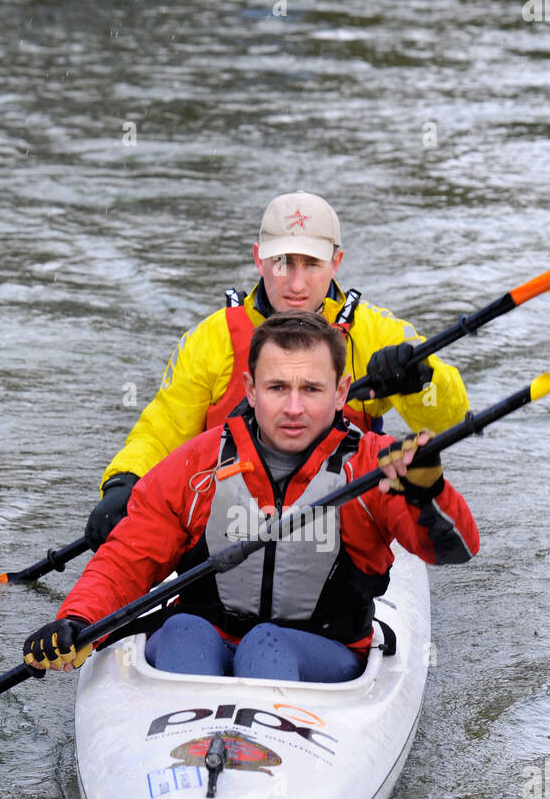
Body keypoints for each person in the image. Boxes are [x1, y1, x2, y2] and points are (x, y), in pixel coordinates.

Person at [25, 311, 478, 684]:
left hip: (324, 657)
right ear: (249, 390)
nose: (294, 408)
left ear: (341, 393)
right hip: (205, 641)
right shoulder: (197, 466)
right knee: (182, 628)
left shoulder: (373, 467)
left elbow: (455, 550)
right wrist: (79, 621)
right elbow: (128, 558)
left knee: (266, 642)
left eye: (312, 389)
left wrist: (426, 489)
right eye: (278, 388)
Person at [84, 191, 471, 549]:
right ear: (259, 259)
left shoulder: (376, 333)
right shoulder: (211, 338)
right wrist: (125, 480)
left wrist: (420, 381)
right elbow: (163, 427)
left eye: (312, 264)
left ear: (336, 262)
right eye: (283, 263)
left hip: (335, 525)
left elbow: (451, 420)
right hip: (228, 518)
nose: (297, 284)